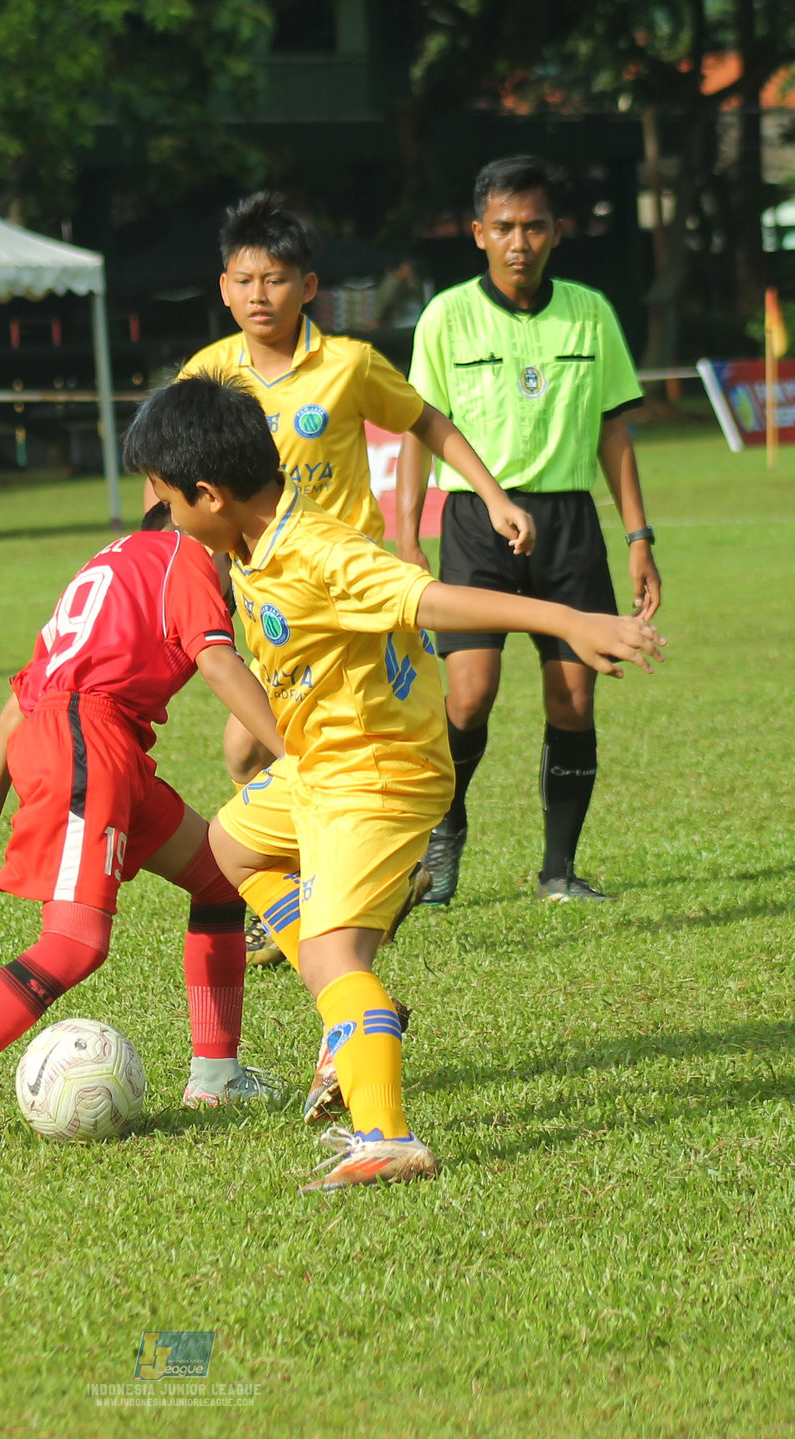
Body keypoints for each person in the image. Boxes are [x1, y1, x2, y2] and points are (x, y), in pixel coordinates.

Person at [127, 375, 663, 1191]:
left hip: (377, 773)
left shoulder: (320, 552)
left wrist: (567, 619)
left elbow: (431, 599)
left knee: (334, 957)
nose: (163, 517)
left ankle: (387, 1134)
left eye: (165, 500)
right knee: (230, 846)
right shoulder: (246, 540)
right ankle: (354, 1013)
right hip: (322, 761)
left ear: (209, 494)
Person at [0, 504, 291, 1154]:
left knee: (219, 881)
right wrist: (298, 759)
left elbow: (19, 704)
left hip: (99, 741)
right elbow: (216, 662)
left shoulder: (115, 564)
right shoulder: (184, 554)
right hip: (87, 742)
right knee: (74, 943)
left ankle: (217, 1077)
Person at [179, 192, 531, 960]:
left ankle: (347, 884)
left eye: (276, 279)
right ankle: (341, 883)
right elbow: (178, 479)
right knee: (249, 753)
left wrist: (492, 496)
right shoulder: (208, 372)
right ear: (224, 288)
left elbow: (425, 421)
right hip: (270, 597)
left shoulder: (348, 364)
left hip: (349, 597)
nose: (259, 295)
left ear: (308, 286)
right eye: (244, 280)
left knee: (286, 747)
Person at [400, 154, 663, 907]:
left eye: (535, 227)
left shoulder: (590, 313)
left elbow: (613, 432)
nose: (520, 242)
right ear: (478, 232)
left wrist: (639, 538)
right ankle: (443, 832)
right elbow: (419, 426)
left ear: (557, 232)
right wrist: (409, 537)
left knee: (573, 700)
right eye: (505, 227)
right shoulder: (446, 316)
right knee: (468, 697)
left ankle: (559, 872)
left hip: (570, 523)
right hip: (473, 524)